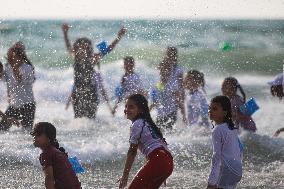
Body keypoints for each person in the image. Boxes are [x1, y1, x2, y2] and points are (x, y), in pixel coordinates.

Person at [62, 23, 126, 119]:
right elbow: (68, 47)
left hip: (90, 94)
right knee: (78, 119)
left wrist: (118, 37)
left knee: (90, 120)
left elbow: (107, 50)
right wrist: (65, 33)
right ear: (77, 48)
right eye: (80, 47)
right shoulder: (75, 57)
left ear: (88, 49)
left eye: (85, 47)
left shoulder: (92, 59)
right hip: (77, 94)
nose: (82, 50)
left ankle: (92, 133)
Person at [118, 94, 173, 189]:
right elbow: (160, 145)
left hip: (159, 161)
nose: (126, 109)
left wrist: (125, 176)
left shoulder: (137, 124)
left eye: (131, 107)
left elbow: (132, 151)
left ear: (140, 110)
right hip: (167, 161)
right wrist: (163, 167)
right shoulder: (148, 123)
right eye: (126, 106)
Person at [31, 122, 81, 189]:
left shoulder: (46, 154)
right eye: (33, 134)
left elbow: (49, 179)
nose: (34, 137)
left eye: (39, 134)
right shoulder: (59, 152)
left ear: (49, 137)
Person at [207, 96, 243, 189]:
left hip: (228, 169)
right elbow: (240, 148)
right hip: (237, 169)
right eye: (209, 108)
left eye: (214, 109)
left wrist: (211, 182)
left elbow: (216, 155)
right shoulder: (231, 127)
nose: (210, 111)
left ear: (225, 112)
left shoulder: (217, 129)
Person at [0, 42, 36, 131]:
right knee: (2, 129)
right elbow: (3, 78)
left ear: (20, 57)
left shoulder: (27, 68)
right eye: (9, 57)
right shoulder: (8, 67)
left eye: (12, 57)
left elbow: (19, 80)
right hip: (13, 104)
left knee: (26, 132)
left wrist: (14, 67)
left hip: (27, 105)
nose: (10, 59)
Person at [150, 62, 186, 130]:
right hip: (160, 114)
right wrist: (146, 114)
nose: (163, 72)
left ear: (169, 72)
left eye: (166, 70)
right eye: (162, 70)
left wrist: (183, 115)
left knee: (169, 134)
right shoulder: (156, 85)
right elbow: (153, 102)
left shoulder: (173, 85)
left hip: (171, 113)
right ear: (159, 71)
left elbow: (179, 100)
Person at [163, 47, 185, 120]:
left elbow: (181, 85)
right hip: (163, 95)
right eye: (168, 54)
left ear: (175, 56)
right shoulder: (163, 66)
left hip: (174, 96)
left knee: (171, 117)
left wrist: (182, 98)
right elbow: (159, 82)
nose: (170, 56)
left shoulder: (178, 69)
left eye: (172, 54)